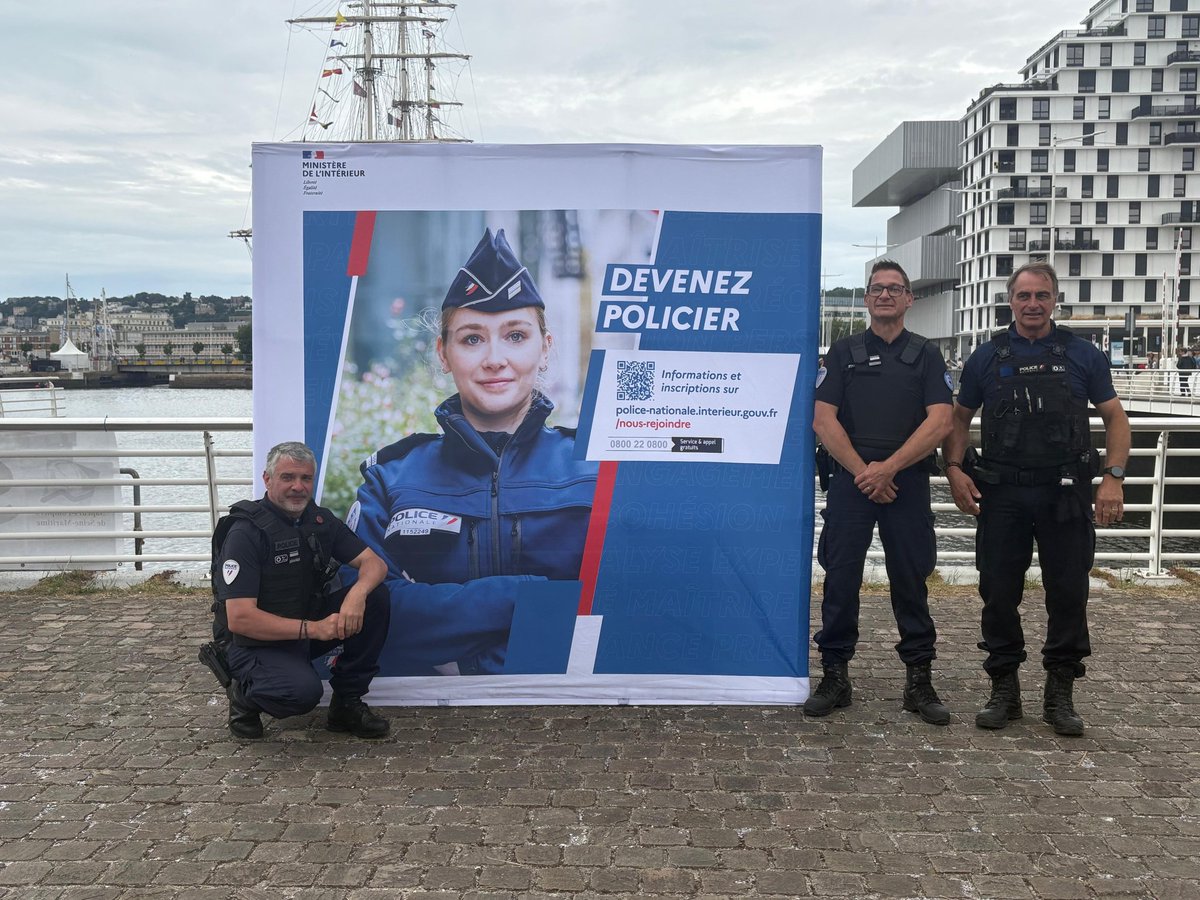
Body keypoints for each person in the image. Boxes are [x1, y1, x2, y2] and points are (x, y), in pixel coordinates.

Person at [347, 228, 598, 676]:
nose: (495, 359)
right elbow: (363, 602)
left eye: (516, 336)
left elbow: (617, 603)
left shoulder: (595, 469)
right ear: (443, 354)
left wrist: (447, 634)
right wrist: (525, 596)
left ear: (545, 348)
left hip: (564, 712)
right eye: (472, 339)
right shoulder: (390, 478)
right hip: (430, 721)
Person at [943, 262, 1130, 737]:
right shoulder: (986, 358)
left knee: (1068, 593)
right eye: (1024, 296)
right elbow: (958, 420)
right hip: (1002, 492)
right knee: (998, 593)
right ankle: (1004, 690)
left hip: (1064, 493)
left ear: (1054, 301)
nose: (1032, 304)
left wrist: (1112, 478)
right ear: (1010, 300)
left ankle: (1060, 693)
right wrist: (955, 470)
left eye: (1041, 296)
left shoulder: (1082, 355)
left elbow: (1115, 419)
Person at [807, 260, 953, 724]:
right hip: (853, 483)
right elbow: (822, 419)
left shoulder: (927, 355)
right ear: (867, 299)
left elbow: (941, 420)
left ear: (910, 299)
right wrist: (864, 473)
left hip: (905, 481)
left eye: (895, 288)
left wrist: (887, 469)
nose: (885, 295)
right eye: (877, 289)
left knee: (910, 580)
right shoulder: (844, 352)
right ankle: (835, 675)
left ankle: (919, 680)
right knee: (841, 578)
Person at [199, 441, 392, 740]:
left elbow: (374, 564)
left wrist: (356, 595)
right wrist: (314, 629)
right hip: (252, 643)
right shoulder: (245, 533)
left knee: (376, 597)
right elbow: (241, 620)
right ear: (267, 479)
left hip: (303, 627)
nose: (298, 487)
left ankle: (346, 705)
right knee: (302, 694)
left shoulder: (319, 521)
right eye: (288, 477)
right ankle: (243, 696)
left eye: (306, 478)